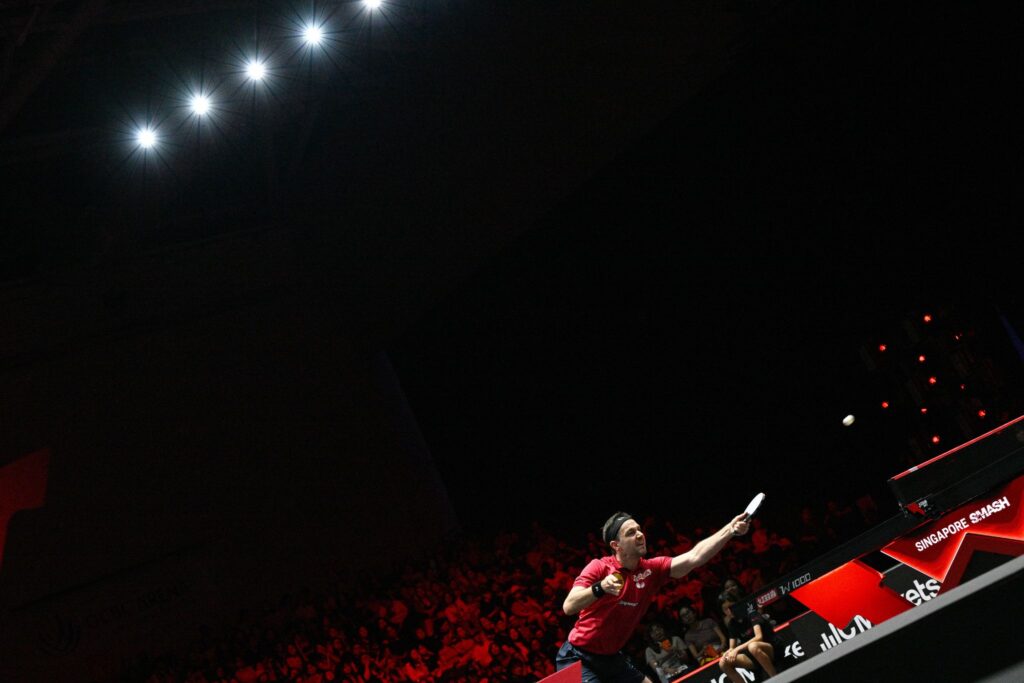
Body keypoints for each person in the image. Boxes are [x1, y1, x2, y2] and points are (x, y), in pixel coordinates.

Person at [556, 509, 750, 683]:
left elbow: (694, 557)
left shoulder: (652, 569)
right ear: (616, 545)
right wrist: (600, 587)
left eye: (639, 529)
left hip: (611, 657)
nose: (640, 535)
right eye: (631, 533)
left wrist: (730, 530)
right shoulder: (599, 567)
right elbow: (569, 606)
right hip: (579, 657)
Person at [718, 599, 777, 683]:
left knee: (753, 646)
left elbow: (758, 637)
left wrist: (737, 649)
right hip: (753, 656)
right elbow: (732, 647)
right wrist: (727, 653)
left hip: (770, 648)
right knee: (723, 663)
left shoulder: (751, 614)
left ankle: (776, 679)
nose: (729, 610)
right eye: (725, 609)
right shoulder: (732, 624)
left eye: (730, 607)